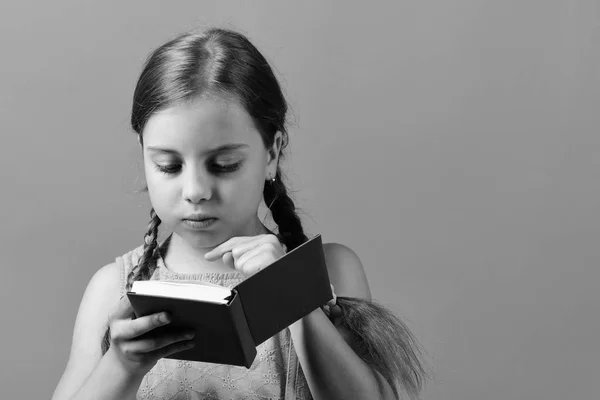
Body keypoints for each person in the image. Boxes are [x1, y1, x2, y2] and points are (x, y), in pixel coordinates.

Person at [51, 27, 427, 400]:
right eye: (168, 165)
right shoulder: (112, 289)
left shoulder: (328, 271)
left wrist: (293, 298)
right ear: (143, 152)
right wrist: (120, 366)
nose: (195, 191)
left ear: (272, 153)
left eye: (224, 164)